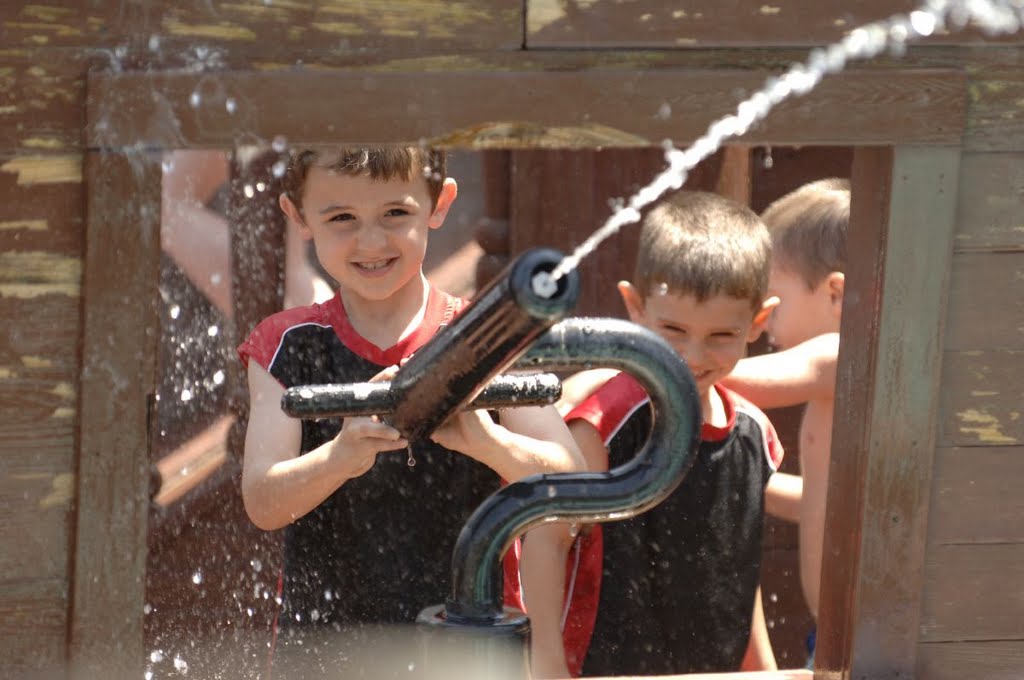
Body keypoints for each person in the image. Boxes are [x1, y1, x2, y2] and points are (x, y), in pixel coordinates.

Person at [237, 147, 584, 678]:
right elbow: (262, 501)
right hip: (324, 651)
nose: (371, 241)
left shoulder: (484, 338)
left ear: (438, 204)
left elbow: (576, 488)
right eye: (342, 218)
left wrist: (487, 442)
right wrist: (340, 455)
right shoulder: (285, 344)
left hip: (470, 643)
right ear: (298, 217)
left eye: (395, 214)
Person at [556, 190, 783, 676]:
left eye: (721, 335)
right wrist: (547, 666)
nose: (694, 356)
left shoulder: (753, 436)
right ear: (635, 309)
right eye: (674, 329)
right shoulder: (606, 423)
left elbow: (740, 570)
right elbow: (547, 542)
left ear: (757, 323)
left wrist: (763, 669)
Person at [721, 177, 849, 668]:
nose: (764, 317)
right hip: (836, 634)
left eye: (775, 300)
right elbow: (823, 502)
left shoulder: (843, 352)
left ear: (836, 293)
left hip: (856, 637)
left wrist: (640, 368)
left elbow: (734, 382)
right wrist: (758, 486)